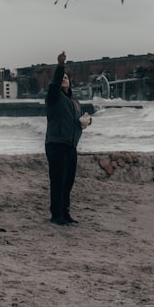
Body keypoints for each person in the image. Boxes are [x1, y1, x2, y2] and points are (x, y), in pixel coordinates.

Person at [45, 50, 91, 225]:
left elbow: (76, 122)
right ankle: (56, 215)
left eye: (66, 77)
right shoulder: (54, 97)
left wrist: (87, 121)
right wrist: (60, 66)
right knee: (58, 180)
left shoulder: (74, 102)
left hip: (71, 145)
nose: (64, 78)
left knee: (68, 182)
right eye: (61, 77)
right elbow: (55, 83)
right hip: (56, 144)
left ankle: (65, 212)